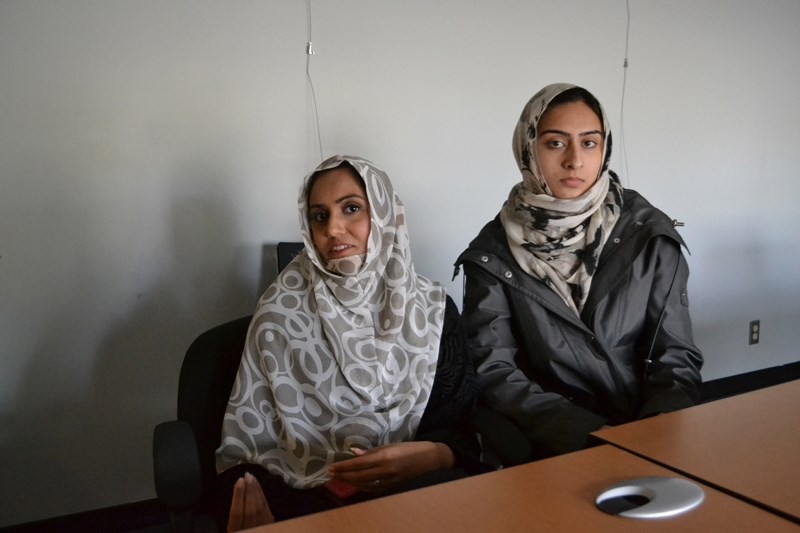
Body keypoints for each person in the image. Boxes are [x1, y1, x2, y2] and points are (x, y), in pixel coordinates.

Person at [216, 155, 483, 530]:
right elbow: (249, 445)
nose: (334, 229)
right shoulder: (279, 313)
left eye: (352, 208)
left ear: (385, 215)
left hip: (416, 489)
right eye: (319, 216)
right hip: (307, 494)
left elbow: (460, 423)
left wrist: (435, 456)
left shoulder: (432, 309)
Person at [454, 83, 704, 460]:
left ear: (604, 149)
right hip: (552, 442)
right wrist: (586, 434)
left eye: (589, 143)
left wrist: (653, 432)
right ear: (528, 146)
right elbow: (494, 370)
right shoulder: (493, 254)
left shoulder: (647, 234)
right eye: (555, 143)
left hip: (650, 435)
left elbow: (674, 354)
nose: (574, 161)